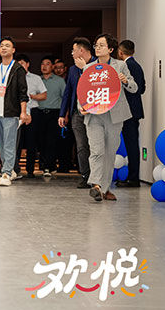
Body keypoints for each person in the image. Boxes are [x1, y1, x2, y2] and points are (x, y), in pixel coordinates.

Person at [77, 34, 138, 202]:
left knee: (110, 153)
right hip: (94, 115)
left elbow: (134, 88)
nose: (97, 48)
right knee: (97, 150)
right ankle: (96, 185)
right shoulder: (89, 68)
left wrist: (125, 81)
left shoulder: (120, 66)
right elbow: (82, 90)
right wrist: (81, 107)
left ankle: (105, 189)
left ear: (111, 49)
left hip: (114, 115)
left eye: (101, 45)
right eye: (96, 45)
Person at [0, 37, 29, 187]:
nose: (4, 48)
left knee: (9, 143)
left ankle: (7, 173)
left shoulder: (18, 69)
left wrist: (23, 112)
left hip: (11, 112)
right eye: (2, 45)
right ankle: (10, 169)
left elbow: (23, 92)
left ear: (13, 50)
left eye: (7, 46)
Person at [59, 37, 95, 188]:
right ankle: (85, 175)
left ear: (81, 51)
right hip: (76, 113)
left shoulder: (98, 65)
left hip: (94, 113)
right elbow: (68, 92)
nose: (72, 53)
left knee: (95, 146)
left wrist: (85, 68)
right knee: (81, 146)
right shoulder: (73, 69)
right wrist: (62, 114)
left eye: (73, 50)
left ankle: (96, 177)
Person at [117, 39, 146, 188]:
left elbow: (133, 88)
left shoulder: (126, 66)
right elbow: (142, 88)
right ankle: (133, 176)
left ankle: (133, 178)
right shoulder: (138, 66)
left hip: (128, 111)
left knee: (131, 145)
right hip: (135, 110)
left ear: (120, 52)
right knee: (132, 144)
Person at [14, 54, 46, 178]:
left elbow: (44, 95)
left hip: (33, 111)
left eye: (22, 63)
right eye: (18, 63)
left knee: (31, 142)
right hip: (17, 113)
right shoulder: (13, 76)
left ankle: (30, 170)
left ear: (28, 64)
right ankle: (15, 169)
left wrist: (32, 96)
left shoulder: (35, 78)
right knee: (16, 142)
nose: (20, 65)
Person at [36, 55, 66, 177]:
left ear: (52, 67)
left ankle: (49, 166)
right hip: (39, 113)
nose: (44, 66)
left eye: (47, 64)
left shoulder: (59, 81)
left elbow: (65, 99)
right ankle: (44, 165)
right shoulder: (37, 80)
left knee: (52, 140)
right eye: (43, 64)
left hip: (55, 114)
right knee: (41, 140)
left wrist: (65, 115)